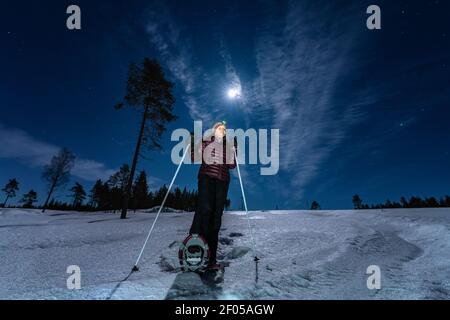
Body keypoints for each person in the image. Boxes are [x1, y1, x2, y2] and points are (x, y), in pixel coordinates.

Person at [189, 121, 237, 270]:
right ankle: (194, 244)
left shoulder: (226, 146)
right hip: (206, 177)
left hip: (222, 181)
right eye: (218, 128)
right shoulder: (206, 142)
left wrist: (234, 150)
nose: (221, 131)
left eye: (224, 129)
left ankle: (211, 259)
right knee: (205, 208)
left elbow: (232, 165)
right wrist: (193, 143)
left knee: (216, 217)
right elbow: (194, 158)